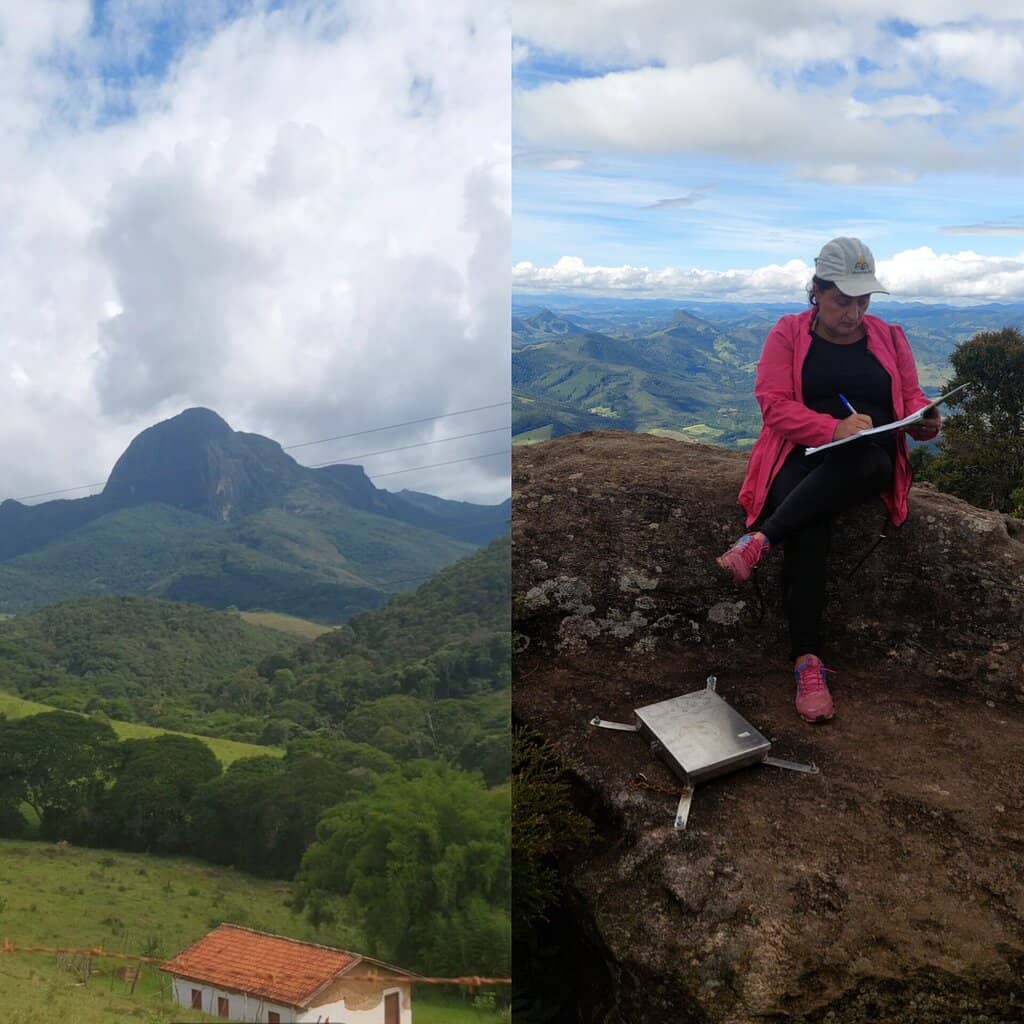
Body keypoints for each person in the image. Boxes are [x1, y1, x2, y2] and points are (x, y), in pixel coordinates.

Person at [716, 237, 940, 724]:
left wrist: (924, 421)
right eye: (843, 300)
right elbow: (773, 404)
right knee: (810, 525)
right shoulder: (789, 333)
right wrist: (831, 429)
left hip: (865, 460)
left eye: (863, 301)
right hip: (798, 455)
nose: (855, 313)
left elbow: (911, 396)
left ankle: (759, 540)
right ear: (816, 291)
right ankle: (807, 661)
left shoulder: (891, 336)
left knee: (872, 462)